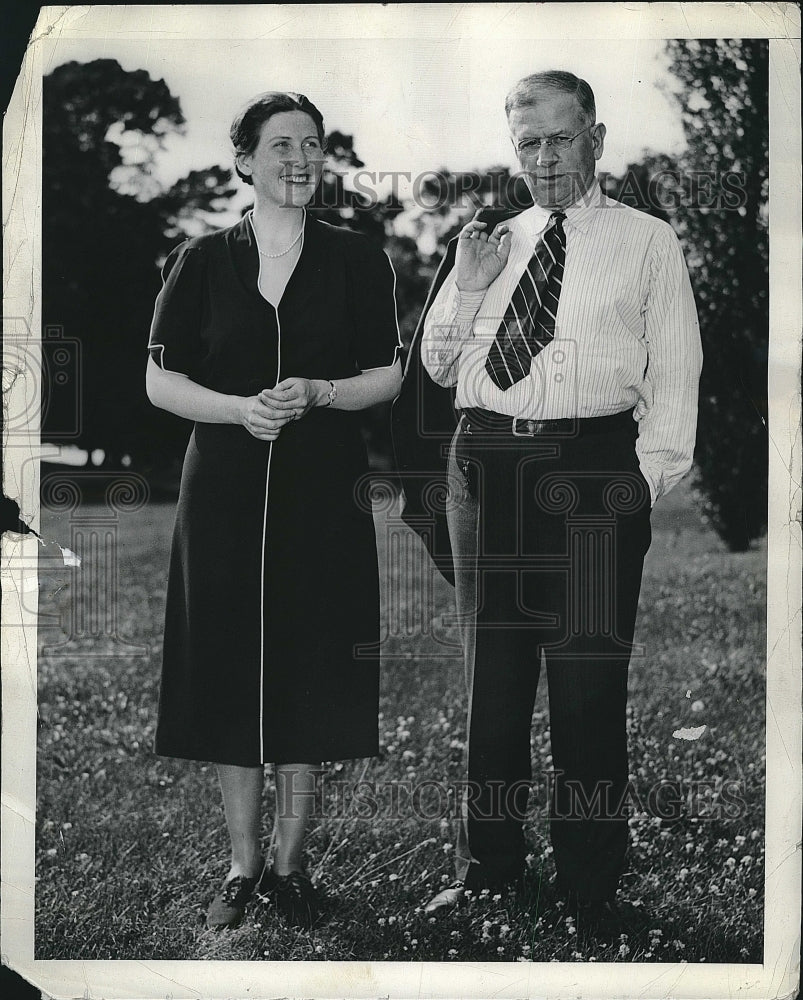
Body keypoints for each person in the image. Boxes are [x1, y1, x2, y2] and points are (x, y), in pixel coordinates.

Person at [395, 70, 702, 936]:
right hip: (484, 470)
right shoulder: (490, 242)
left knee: (586, 692)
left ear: (595, 140)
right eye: (526, 143)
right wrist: (464, 284)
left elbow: (675, 383)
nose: (542, 158)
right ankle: (488, 872)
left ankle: (591, 888)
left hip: (594, 471)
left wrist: (635, 489)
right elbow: (438, 369)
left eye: (559, 139)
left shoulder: (646, 241)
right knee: (490, 690)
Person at [146, 91, 402, 931]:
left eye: (312, 145)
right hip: (220, 488)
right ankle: (241, 864)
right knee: (227, 666)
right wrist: (235, 409)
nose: (298, 158)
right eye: (280, 144)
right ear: (245, 161)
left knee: (308, 666)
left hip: (322, 489)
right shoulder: (199, 259)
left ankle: (291, 868)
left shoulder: (359, 260)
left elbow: (386, 374)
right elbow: (159, 380)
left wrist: (325, 391)